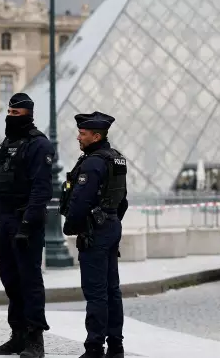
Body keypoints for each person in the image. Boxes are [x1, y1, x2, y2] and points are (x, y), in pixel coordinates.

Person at [0, 93, 55, 358]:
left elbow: (41, 189)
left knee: (30, 281)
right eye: (9, 113)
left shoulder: (39, 145)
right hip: (5, 219)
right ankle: (18, 335)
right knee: (11, 281)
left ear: (28, 115)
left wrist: (26, 225)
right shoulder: (5, 145)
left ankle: (35, 340)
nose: (10, 118)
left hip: (26, 221)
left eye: (16, 114)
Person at [60, 111, 128, 358]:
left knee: (96, 292)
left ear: (96, 136)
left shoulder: (92, 163)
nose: (78, 137)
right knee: (112, 290)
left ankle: (94, 347)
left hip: (95, 231)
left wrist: (71, 226)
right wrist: (111, 221)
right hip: (111, 226)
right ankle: (116, 345)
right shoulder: (117, 159)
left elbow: (80, 201)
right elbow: (123, 201)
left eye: (83, 133)